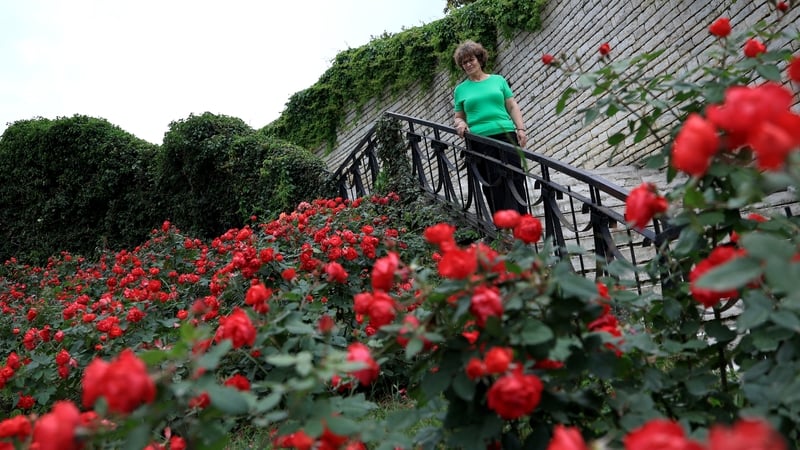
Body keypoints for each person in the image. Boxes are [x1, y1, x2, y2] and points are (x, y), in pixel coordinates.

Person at [453, 40, 529, 216]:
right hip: (480, 141)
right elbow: (459, 117)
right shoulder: (461, 90)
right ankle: (503, 227)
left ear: (479, 59)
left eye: (471, 59)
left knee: (515, 178)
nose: (468, 64)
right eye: (464, 62)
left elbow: (512, 106)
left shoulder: (498, 80)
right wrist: (461, 123)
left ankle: (522, 222)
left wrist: (521, 129)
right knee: (491, 183)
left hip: (506, 135)